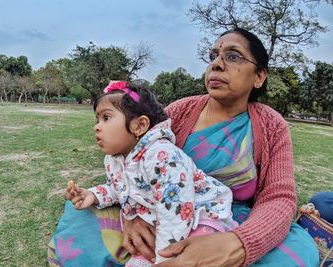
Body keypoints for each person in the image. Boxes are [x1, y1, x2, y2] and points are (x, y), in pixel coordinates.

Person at [122, 27, 319, 267]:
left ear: (259, 76)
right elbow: (132, 161)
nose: (216, 64)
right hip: (163, 212)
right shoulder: (177, 113)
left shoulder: (272, 125)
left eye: (233, 56)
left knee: (299, 253)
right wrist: (132, 215)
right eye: (213, 55)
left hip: (238, 222)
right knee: (84, 220)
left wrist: (237, 244)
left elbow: (279, 197)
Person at [65, 80, 237, 266]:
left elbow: (176, 214)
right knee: (139, 261)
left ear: (139, 126)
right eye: (97, 120)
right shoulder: (114, 160)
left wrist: (163, 259)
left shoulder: (161, 155)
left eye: (106, 118)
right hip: (161, 219)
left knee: (193, 257)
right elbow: (120, 188)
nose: (97, 127)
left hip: (200, 214)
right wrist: (93, 195)